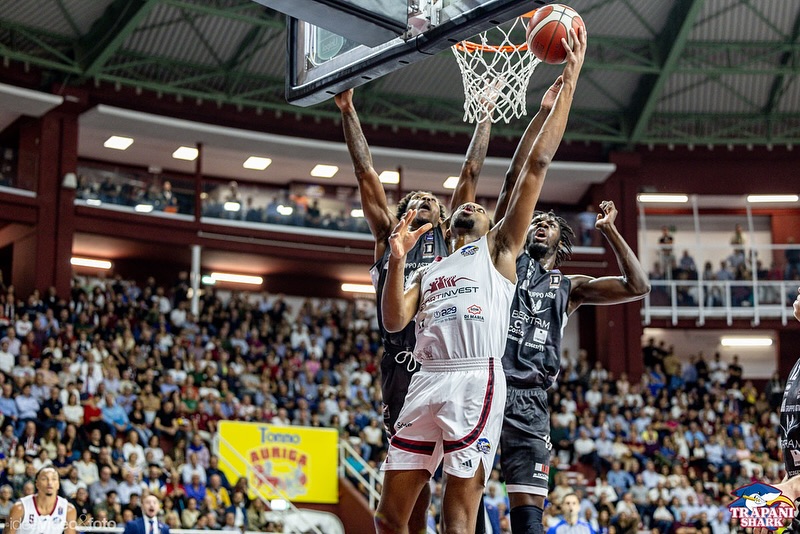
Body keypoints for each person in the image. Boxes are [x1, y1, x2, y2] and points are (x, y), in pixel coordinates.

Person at [375, 26, 586, 534]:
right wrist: (399, 259)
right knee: (388, 516)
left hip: (475, 377)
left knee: (457, 516)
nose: (471, 202)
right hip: (426, 378)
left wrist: (568, 84)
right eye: (462, 204)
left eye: (480, 205)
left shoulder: (497, 253)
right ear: (448, 225)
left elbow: (533, 166)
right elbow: (393, 318)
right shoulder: (429, 267)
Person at [334, 82, 493, 533]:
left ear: (444, 217)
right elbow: (365, 173)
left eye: (432, 202)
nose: (425, 201)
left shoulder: (451, 241)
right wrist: (348, 110)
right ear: (402, 213)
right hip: (401, 369)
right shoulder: (389, 236)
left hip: (447, 364)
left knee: (462, 493)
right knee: (412, 499)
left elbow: (471, 170)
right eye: (415, 200)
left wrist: (483, 115)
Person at [494, 168, 648, 532]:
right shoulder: (502, 264)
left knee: (528, 510)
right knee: (466, 487)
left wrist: (609, 230)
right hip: (488, 383)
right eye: (536, 222)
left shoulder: (569, 286)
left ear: (562, 240)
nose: (540, 224)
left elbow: (638, 286)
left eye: (549, 223)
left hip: (530, 397)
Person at [3, 466, 77, 534]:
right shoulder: (19, 508)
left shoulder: (68, 509)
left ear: (58, 484)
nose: (50, 483)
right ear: (37, 484)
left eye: (54, 479)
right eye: (44, 479)